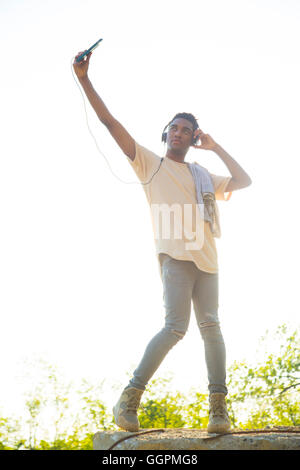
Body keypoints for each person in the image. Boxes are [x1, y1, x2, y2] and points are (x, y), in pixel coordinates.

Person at [73, 50, 252, 434]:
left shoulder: (202, 175)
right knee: (175, 327)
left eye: (186, 130)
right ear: (165, 132)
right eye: (174, 127)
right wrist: (85, 79)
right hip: (175, 257)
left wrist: (215, 147)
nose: (179, 133)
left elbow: (243, 181)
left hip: (208, 260)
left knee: (212, 326)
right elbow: (108, 122)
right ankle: (129, 398)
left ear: (193, 138)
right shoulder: (150, 164)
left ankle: (218, 411)